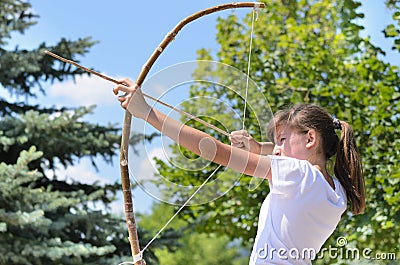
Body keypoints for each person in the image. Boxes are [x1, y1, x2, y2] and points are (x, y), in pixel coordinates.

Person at [113, 79, 365, 264]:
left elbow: (213, 150)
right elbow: (290, 155)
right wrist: (258, 147)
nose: (276, 149)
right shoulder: (337, 192)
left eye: (282, 139)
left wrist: (147, 112)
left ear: (310, 138)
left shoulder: (297, 173)